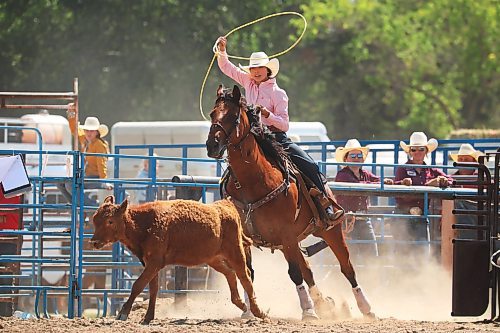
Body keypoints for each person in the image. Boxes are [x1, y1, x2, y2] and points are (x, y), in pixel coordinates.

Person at [215, 36, 342, 224]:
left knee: (309, 165)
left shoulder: (278, 94)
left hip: (275, 137)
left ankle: (326, 204)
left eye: (259, 68)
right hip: (253, 137)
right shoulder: (248, 82)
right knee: (228, 175)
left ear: (268, 70)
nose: (256, 72)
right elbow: (227, 68)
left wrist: (267, 114)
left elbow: (284, 125)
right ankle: (228, 210)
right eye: (253, 68)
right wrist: (222, 50)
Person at [392, 132, 452, 258]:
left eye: (421, 149)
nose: (417, 152)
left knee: (422, 251)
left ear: (426, 151)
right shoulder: (403, 169)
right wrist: (428, 186)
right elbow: (397, 190)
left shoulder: (431, 170)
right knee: (403, 251)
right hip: (404, 215)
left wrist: (443, 180)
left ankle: (417, 275)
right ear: (410, 151)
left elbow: (451, 180)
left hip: (421, 215)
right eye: (414, 149)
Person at [334, 139, 393, 261]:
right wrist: (377, 182)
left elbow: (376, 180)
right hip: (347, 220)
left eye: (359, 155)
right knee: (350, 255)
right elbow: (365, 183)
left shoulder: (365, 174)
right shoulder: (342, 175)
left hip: (363, 219)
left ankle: (369, 277)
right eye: (353, 155)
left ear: (362, 158)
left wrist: (386, 181)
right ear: (346, 159)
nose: (356, 158)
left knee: (371, 252)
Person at [57, 104, 111, 206]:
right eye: (87, 130)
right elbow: (74, 129)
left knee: (69, 184)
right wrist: (71, 112)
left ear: (96, 132)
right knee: (60, 182)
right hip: (86, 175)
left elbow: (101, 163)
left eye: (92, 131)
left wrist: (104, 180)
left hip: (96, 177)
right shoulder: (85, 140)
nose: (88, 133)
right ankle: (77, 205)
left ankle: (91, 206)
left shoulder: (99, 145)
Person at [449, 144, 485, 239]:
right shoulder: (451, 179)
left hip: (479, 220)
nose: (463, 163)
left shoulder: (483, 179)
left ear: (474, 162)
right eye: (461, 160)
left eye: (466, 160)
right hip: (457, 222)